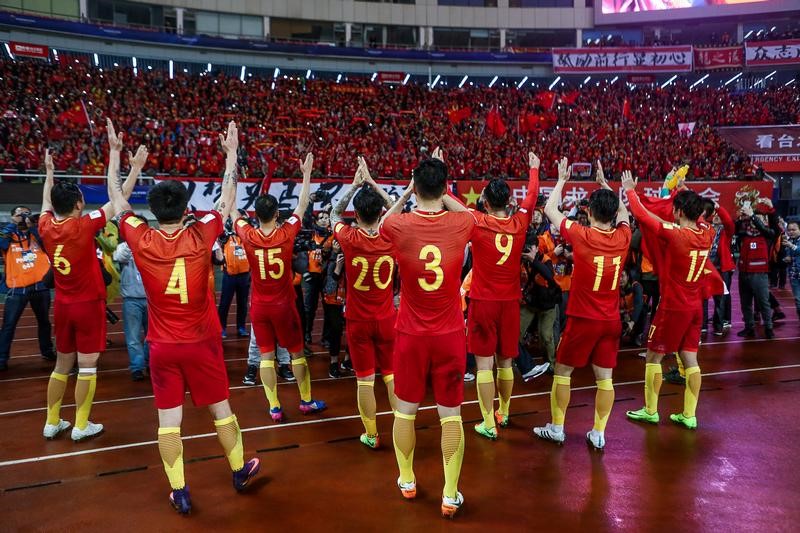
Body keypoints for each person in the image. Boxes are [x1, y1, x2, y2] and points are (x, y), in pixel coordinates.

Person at [114, 120, 259, 514]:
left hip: (162, 346)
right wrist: (231, 153)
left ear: (155, 210)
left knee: (168, 422)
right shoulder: (202, 234)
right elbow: (227, 199)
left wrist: (121, 160)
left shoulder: (140, 238)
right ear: (185, 207)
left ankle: (179, 489)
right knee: (222, 412)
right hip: (202, 343)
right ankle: (238, 470)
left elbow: (118, 201)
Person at [379, 153, 475, 519]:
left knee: (404, 412)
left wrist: (407, 193)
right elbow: (466, 212)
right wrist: (442, 187)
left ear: (416, 186)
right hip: (450, 333)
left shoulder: (399, 226)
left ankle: (407, 481)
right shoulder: (461, 223)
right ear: (445, 186)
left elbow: (385, 219)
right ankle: (450, 495)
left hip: (411, 334)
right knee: (451, 416)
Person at [38, 140, 143, 442]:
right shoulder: (83, 227)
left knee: (61, 365)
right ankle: (81, 424)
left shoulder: (45, 225)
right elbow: (118, 198)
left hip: (63, 304)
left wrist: (49, 174)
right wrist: (126, 162)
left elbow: (46, 202)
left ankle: (52, 420)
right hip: (88, 305)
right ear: (78, 205)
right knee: (86, 367)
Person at [533, 160, 631, 451]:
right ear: (613, 214)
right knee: (605, 379)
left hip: (582, 318)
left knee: (562, 373)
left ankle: (558, 428)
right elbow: (625, 213)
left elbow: (550, 210)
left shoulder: (581, 234)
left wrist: (562, 179)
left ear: (588, 212)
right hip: (610, 320)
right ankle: (599, 433)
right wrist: (607, 186)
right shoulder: (623, 236)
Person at [448, 150, 545, 441]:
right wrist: (534, 170)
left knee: (483, 365)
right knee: (505, 362)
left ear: (486, 202)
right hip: (510, 304)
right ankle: (504, 410)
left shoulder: (476, 220)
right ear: (508, 202)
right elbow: (531, 197)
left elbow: (449, 201)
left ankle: (488, 421)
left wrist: (442, 171)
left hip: (483, 303)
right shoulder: (520, 222)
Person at [234, 152, 327, 422]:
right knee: (296, 353)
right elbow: (301, 205)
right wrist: (306, 174)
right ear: (276, 213)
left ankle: (274, 407)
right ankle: (306, 401)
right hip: (284, 305)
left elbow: (230, 209)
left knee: (266, 356)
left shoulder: (247, 234)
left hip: (260, 306)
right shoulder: (286, 233)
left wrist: (232, 168)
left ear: (255, 214)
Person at [624, 175, 715, 431]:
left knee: (653, 355)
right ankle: (689, 414)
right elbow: (697, 215)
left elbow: (643, 217)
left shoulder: (677, 235)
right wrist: (680, 187)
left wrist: (630, 191)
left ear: (678, 211)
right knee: (690, 359)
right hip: (695, 306)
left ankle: (651, 410)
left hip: (673, 307)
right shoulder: (707, 232)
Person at [330, 157, 400, 449]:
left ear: (356, 214)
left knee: (365, 381)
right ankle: (402, 424)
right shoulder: (392, 235)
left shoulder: (348, 238)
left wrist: (355, 184)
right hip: (387, 317)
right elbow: (399, 206)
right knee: (392, 375)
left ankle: (371, 434)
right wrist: (373, 182)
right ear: (381, 213)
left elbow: (334, 211)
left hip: (358, 320)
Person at [0, 205, 55, 371]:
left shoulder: (36, 235)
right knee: (9, 325)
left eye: (27, 214)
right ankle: (2, 358)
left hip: (40, 286)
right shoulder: (8, 235)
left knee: (44, 322)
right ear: (12, 217)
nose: (24, 217)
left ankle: (47, 351)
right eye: (20, 214)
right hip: (18, 288)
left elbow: (47, 243)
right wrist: (13, 224)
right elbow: (1, 242)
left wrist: (32, 225)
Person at [113, 222, 150, 381]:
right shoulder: (123, 247)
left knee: (152, 335)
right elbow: (121, 256)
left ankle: (150, 362)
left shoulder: (151, 245)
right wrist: (131, 239)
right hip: (131, 300)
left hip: (151, 299)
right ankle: (137, 367)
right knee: (133, 336)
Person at [736, 201, 777, 339]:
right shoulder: (744, 233)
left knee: (763, 302)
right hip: (743, 273)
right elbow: (735, 227)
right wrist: (741, 216)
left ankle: (768, 328)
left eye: (761, 219)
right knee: (745, 303)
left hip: (759, 274)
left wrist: (757, 214)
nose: (758, 221)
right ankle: (749, 327)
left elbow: (773, 223)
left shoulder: (767, 235)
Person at [217, 219, 251, 338]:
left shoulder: (245, 236)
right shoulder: (225, 237)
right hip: (229, 275)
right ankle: (221, 328)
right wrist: (226, 233)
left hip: (244, 274)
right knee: (225, 303)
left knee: (243, 303)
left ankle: (241, 327)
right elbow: (219, 238)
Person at [783, 222, 800, 319]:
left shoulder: (790, 243)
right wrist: (786, 258)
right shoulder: (788, 241)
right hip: (793, 275)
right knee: (798, 299)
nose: (791, 232)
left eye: (794, 230)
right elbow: (785, 256)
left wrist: (790, 246)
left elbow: (798, 250)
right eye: (789, 230)